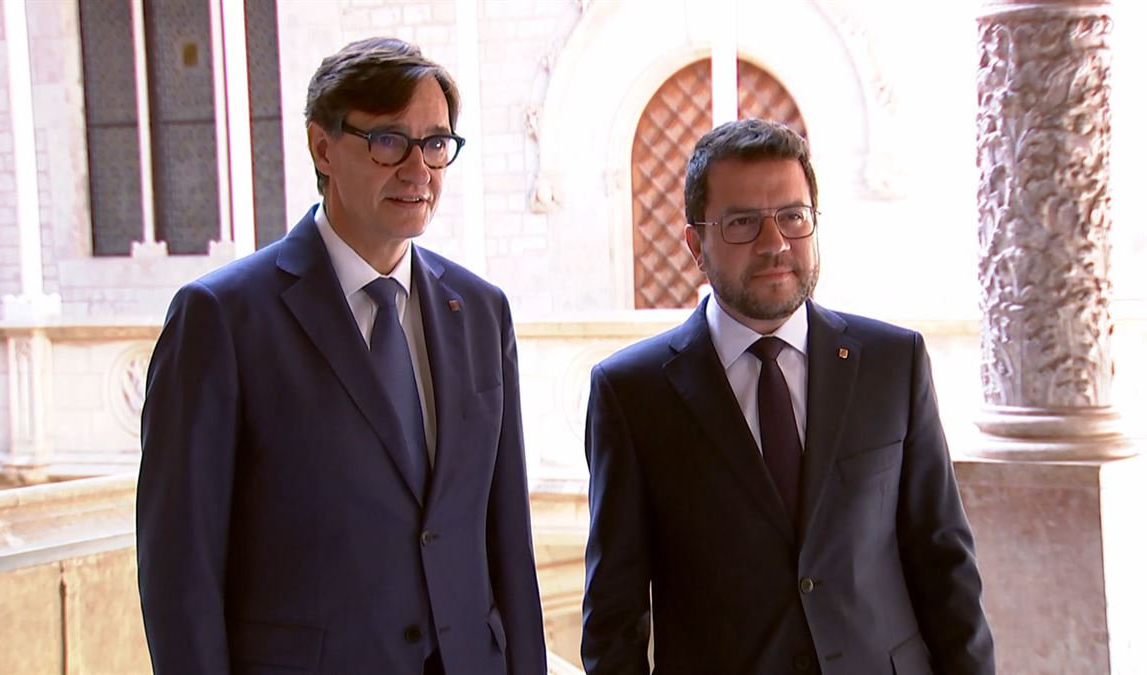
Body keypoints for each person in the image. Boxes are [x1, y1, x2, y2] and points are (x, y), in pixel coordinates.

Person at [137, 37, 546, 675]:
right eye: (388, 140)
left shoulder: (482, 311)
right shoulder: (222, 318)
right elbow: (179, 569)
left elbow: (507, 539)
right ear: (322, 147)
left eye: (436, 143)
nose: (418, 170)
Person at [581, 118, 995, 674]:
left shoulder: (892, 363)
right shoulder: (632, 394)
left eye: (793, 218)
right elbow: (614, 618)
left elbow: (945, 568)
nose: (774, 244)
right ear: (695, 244)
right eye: (742, 223)